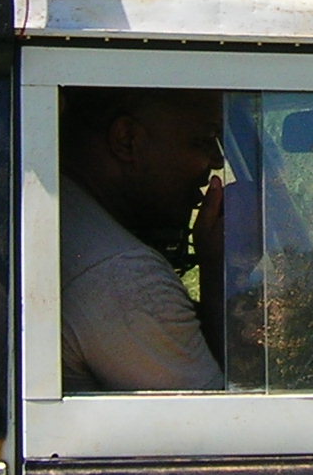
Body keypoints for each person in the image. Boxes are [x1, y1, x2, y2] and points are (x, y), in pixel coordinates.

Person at [60, 87, 228, 392]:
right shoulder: (125, 277)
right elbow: (222, 425)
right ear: (127, 140)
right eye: (203, 140)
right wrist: (222, 273)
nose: (216, 162)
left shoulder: (63, 213)